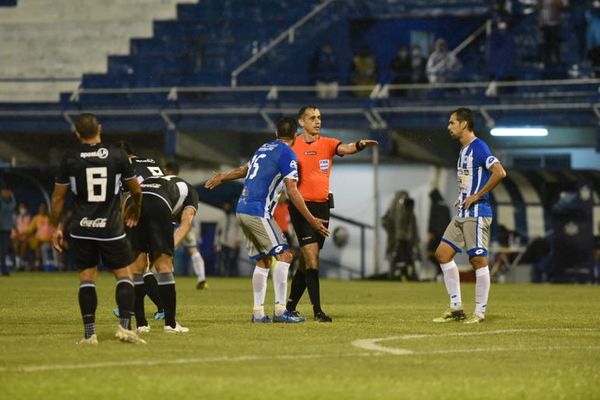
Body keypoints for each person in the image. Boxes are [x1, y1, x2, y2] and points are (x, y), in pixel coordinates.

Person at [205, 117, 329, 323]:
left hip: (242, 208)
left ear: (275, 133)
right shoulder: (288, 153)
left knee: (263, 261)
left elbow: (244, 170)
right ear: (295, 136)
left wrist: (222, 177)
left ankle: (258, 314)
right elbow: (292, 189)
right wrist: (311, 219)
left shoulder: (263, 148)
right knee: (286, 255)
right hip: (258, 210)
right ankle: (281, 311)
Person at [50, 113, 145, 344]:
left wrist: (56, 227)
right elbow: (136, 190)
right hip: (111, 227)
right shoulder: (117, 155)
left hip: (81, 227)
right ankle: (124, 328)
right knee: (124, 275)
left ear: (77, 134)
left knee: (87, 278)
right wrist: (135, 210)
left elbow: (58, 198)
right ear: (99, 128)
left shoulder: (70, 159)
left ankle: (89, 334)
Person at [285, 105, 378, 322]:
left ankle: (289, 306)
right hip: (301, 208)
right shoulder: (292, 145)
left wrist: (360, 144)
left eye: (319, 117)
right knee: (312, 258)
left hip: (323, 208)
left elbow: (344, 149)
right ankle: (318, 311)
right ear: (301, 122)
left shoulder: (327, 143)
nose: (317, 121)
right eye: (312, 118)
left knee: (306, 262)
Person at [432, 107, 507, 324]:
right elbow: (471, 180)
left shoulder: (479, 147)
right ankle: (456, 307)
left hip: (477, 213)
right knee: (442, 254)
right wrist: (463, 196)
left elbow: (500, 172)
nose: (449, 127)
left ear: (464, 124)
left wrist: (477, 195)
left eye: (452, 122)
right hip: (463, 211)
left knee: (478, 261)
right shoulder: (464, 150)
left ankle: (480, 312)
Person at [125, 172, 199, 333]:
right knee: (164, 265)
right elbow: (186, 224)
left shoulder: (155, 180)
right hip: (157, 203)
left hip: (133, 199)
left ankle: (141, 324)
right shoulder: (191, 192)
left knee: (137, 267)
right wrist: (169, 249)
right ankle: (170, 324)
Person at [112, 141, 165, 324]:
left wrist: (121, 219)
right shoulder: (151, 162)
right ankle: (154, 307)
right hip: (164, 210)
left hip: (143, 212)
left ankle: (134, 306)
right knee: (149, 265)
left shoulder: (125, 166)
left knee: (139, 264)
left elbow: (128, 195)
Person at [164, 161, 208, 289]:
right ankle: (202, 278)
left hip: (172, 221)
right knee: (193, 250)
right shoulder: (184, 185)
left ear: (167, 170)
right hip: (187, 222)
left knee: (167, 249)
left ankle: (164, 278)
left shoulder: (166, 183)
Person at [215, 201, 241, 277]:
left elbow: (239, 229)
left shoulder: (235, 218)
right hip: (223, 242)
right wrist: (216, 242)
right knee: (223, 260)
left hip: (232, 242)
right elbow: (218, 231)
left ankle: (233, 274)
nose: (226, 208)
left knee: (233, 260)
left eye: (227, 206)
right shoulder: (221, 218)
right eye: (225, 206)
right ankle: (224, 274)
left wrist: (238, 240)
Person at [0, 185, 15, 276]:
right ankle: (4, 269)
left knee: (4, 250)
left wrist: (15, 227)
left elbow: (11, 214)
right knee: (3, 250)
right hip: (1, 228)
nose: (7, 193)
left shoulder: (11, 201)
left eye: (8, 191)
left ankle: (4, 269)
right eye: (5, 191)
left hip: (7, 228)